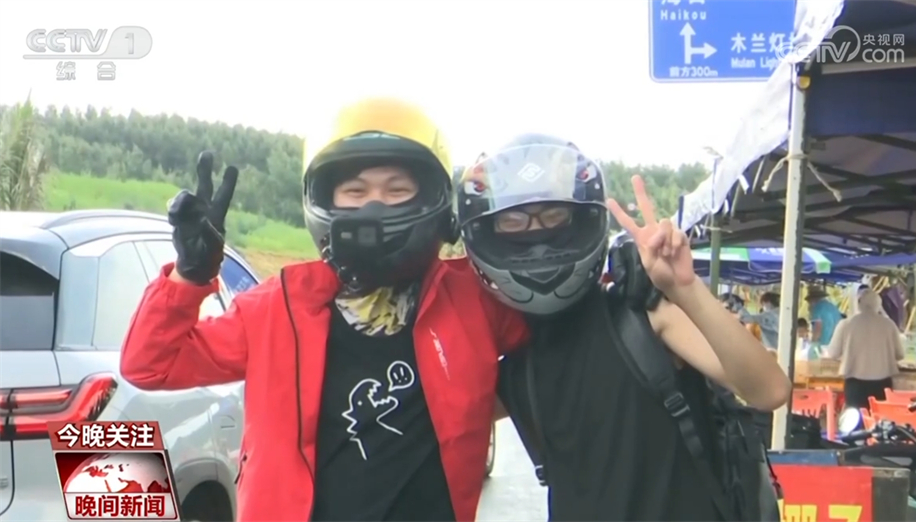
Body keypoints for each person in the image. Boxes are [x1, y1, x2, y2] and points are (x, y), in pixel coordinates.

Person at [119, 97, 528, 522]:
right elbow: (150, 364)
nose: (374, 206)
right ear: (325, 200)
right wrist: (189, 275)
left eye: (396, 190)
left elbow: (553, 350)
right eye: (355, 191)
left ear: (432, 198)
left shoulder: (474, 301)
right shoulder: (277, 309)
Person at [457, 134, 790, 521]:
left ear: (583, 219)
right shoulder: (517, 368)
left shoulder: (644, 316)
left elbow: (769, 391)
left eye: (553, 217)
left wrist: (685, 290)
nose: (538, 238)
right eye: (513, 221)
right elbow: (427, 422)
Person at [827, 289, 905, 409]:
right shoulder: (889, 325)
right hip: (882, 383)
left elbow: (833, 353)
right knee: (880, 417)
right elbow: (900, 354)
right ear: (878, 305)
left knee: (855, 417)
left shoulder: (846, 324)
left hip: (855, 383)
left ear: (859, 303)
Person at [806, 286, 842, 357]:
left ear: (812, 299)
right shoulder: (833, 307)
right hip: (837, 344)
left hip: (824, 346)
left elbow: (817, 329)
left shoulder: (817, 309)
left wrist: (812, 345)